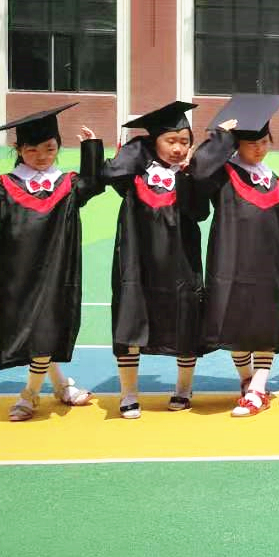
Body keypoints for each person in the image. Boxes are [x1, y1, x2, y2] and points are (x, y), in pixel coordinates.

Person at [0, 104, 103, 422]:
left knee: (44, 328)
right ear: (18, 150)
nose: (42, 156)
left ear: (58, 147)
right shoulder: (7, 185)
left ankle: (28, 395)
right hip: (17, 271)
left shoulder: (68, 184)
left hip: (58, 270)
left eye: (50, 148)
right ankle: (62, 386)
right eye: (32, 150)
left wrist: (91, 149)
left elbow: (94, 184)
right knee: (37, 329)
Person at [191, 94, 279, 418]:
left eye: (264, 142)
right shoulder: (223, 175)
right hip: (230, 263)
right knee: (235, 326)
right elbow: (198, 172)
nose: (259, 149)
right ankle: (247, 380)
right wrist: (220, 139)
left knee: (265, 327)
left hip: (267, 267)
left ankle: (257, 390)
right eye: (251, 143)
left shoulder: (276, 183)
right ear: (237, 144)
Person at [100, 101, 210, 417]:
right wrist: (139, 148)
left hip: (181, 263)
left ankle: (183, 388)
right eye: (170, 140)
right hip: (138, 263)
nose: (178, 148)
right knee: (130, 321)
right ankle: (128, 393)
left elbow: (200, 212)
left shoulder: (190, 176)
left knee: (186, 322)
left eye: (184, 142)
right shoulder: (135, 175)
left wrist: (189, 174)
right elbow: (110, 172)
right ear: (154, 142)